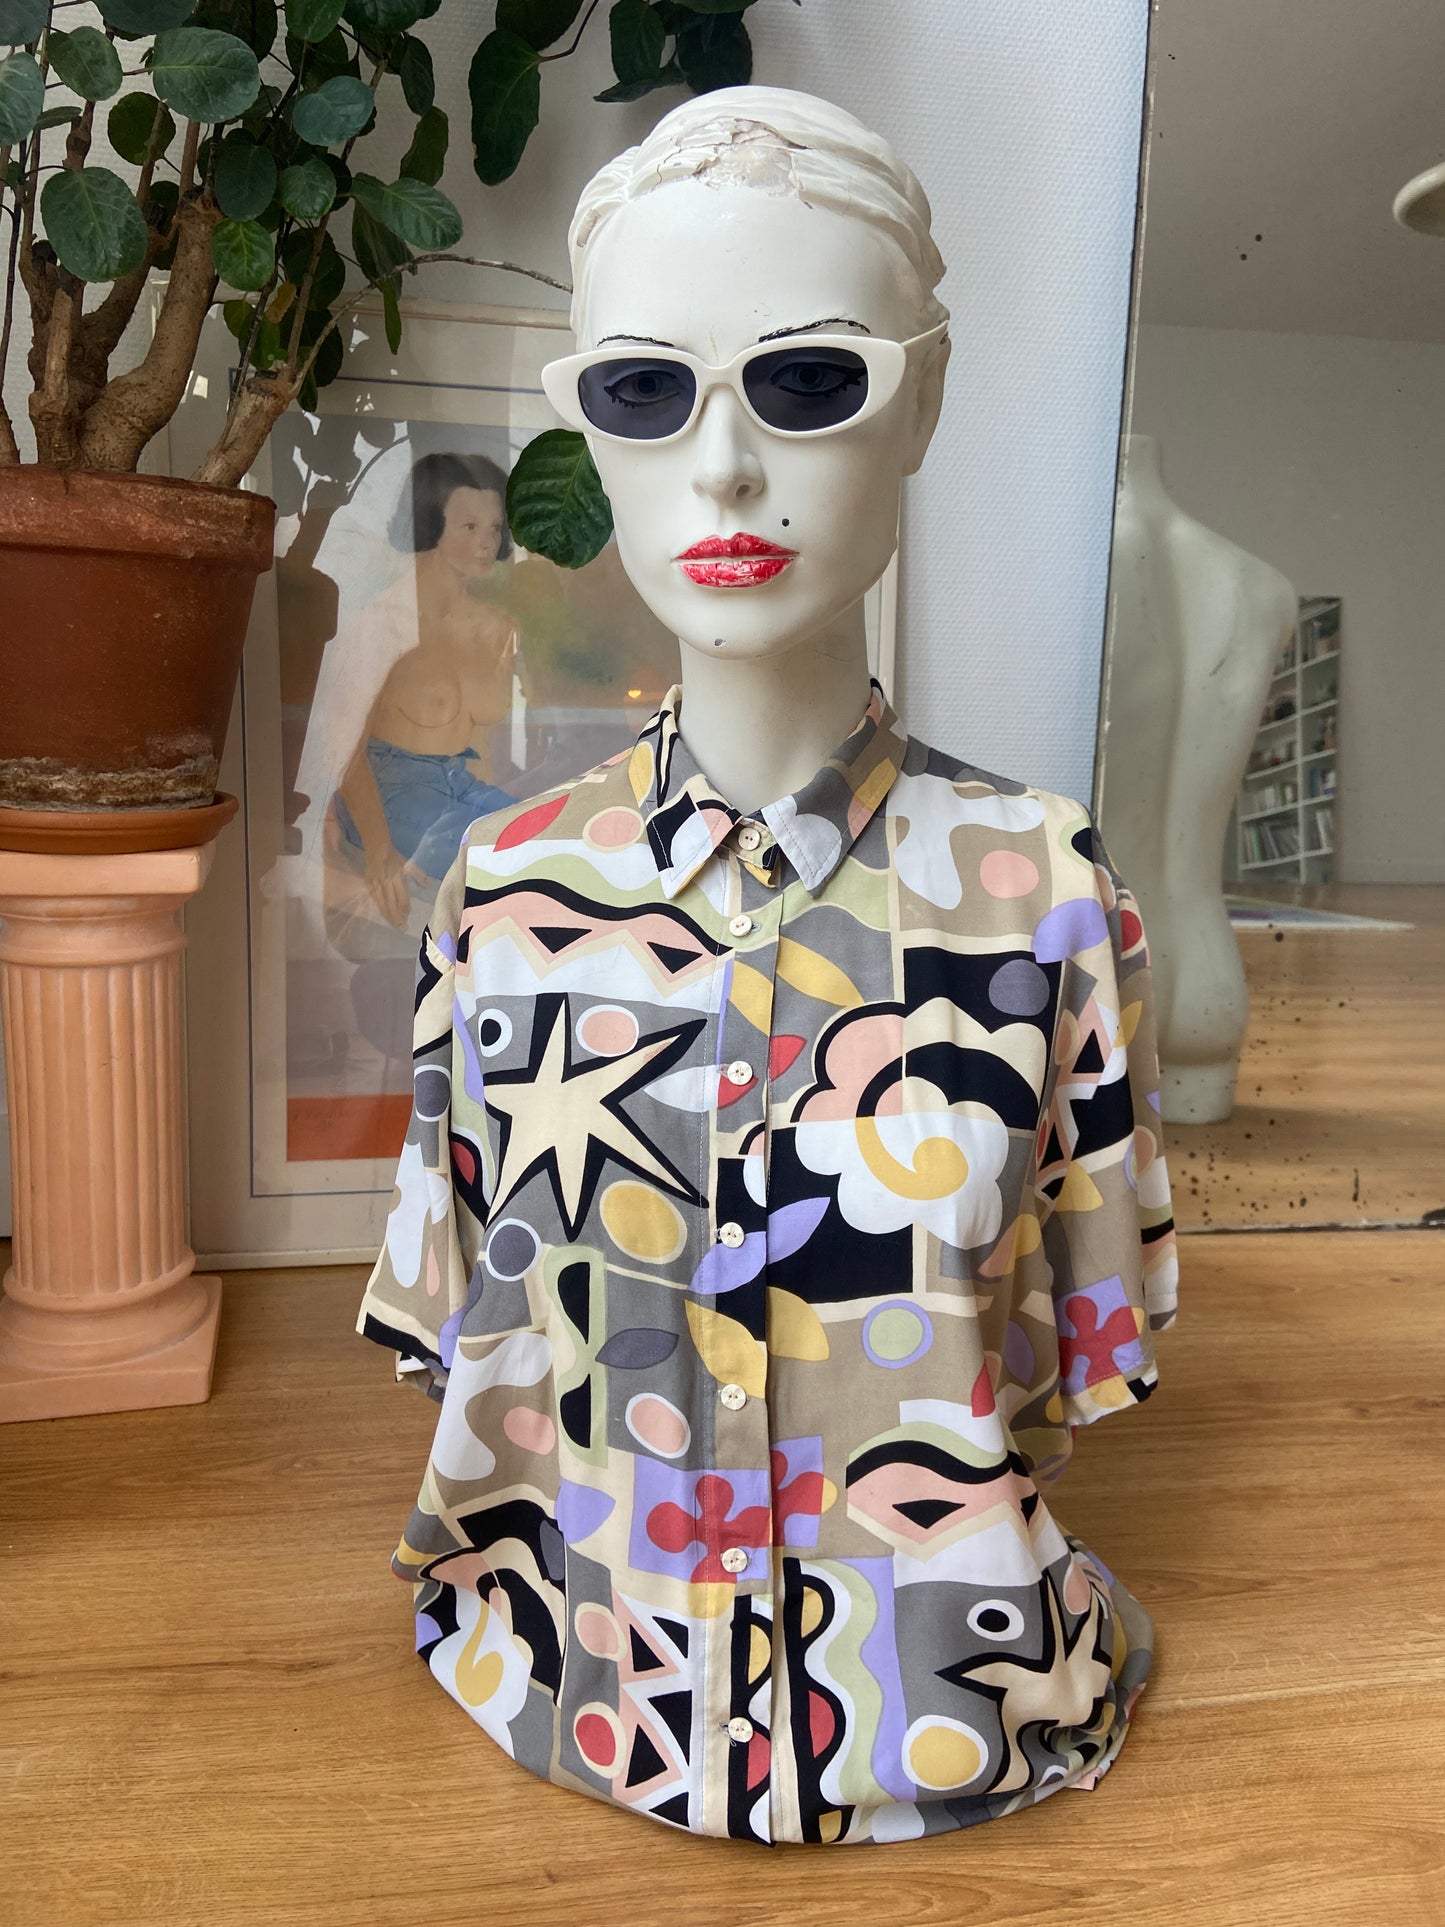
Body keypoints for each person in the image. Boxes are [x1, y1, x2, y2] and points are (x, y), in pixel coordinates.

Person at [356, 87, 1179, 1847]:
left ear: (921, 401)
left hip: (957, 1708)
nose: (723, 467)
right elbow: (469, 1334)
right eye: (646, 391)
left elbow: (1068, 1366)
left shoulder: (1045, 888)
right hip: (562, 1677)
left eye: (808, 380)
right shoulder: (499, 896)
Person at [311, 451, 522, 929]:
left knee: (545, 842)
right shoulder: (383, 623)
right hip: (390, 785)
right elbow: (343, 746)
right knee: (500, 860)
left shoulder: (497, 629)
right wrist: (378, 850)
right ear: (431, 523)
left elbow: (484, 746)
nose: (487, 542)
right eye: (470, 527)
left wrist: (501, 808)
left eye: (495, 528)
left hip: (459, 785)